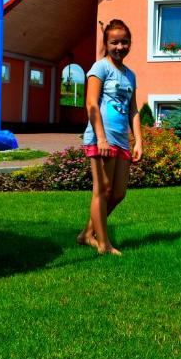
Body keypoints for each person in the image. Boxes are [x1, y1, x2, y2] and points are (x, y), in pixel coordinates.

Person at [76, 19, 143, 256]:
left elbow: (133, 109)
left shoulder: (130, 75)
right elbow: (91, 103)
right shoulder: (100, 68)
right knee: (102, 190)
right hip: (100, 137)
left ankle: (87, 234)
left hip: (122, 139)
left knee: (118, 193)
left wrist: (138, 141)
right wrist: (101, 138)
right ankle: (104, 245)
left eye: (124, 42)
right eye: (114, 42)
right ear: (106, 43)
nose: (120, 46)